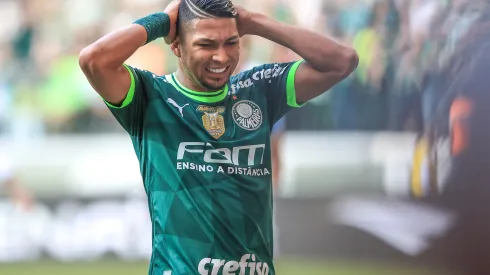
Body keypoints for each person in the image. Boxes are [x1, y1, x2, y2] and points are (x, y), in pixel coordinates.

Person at [79, 0, 358, 274]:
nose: (222, 57)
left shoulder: (260, 90)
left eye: (231, 42)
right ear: (176, 45)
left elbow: (342, 61)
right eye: (206, 44)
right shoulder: (151, 96)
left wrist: (254, 22)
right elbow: (94, 60)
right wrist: (161, 23)